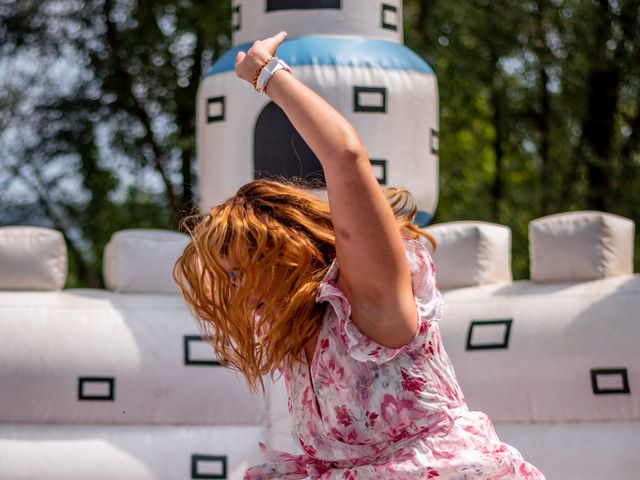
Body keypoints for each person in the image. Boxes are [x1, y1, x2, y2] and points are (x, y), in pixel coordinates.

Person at [174, 31, 545, 480]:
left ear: (281, 258)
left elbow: (346, 157)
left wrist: (265, 74)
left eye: (239, 274)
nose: (232, 289)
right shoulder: (297, 331)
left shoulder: (367, 302)